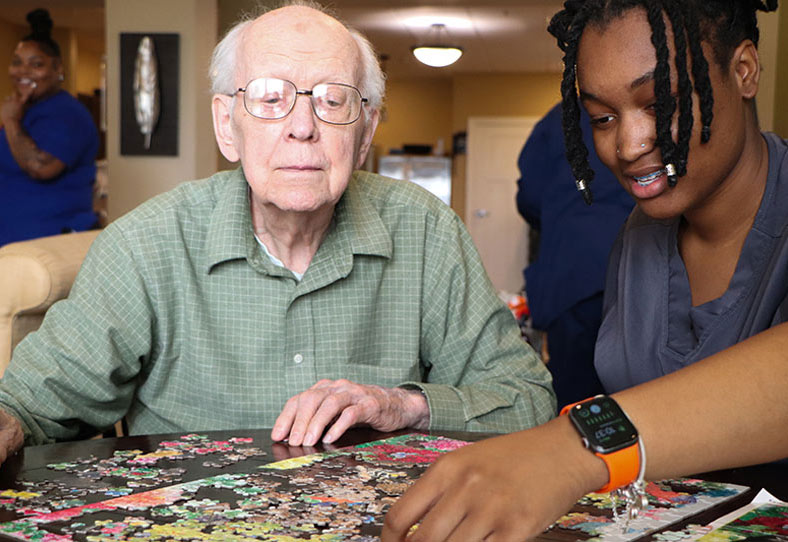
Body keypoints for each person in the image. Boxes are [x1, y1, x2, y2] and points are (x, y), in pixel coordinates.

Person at [0, 0, 556, 462]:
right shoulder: (144, 245)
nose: (301, 127)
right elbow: (29, 405)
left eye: (333, 100)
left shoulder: (427, 230)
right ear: (227, 125)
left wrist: (406, 406)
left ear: (365, 134)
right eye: (270, 98)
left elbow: (527, 399)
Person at [381, 1, 788, 540]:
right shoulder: (639, 238)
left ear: (744, 71)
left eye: (659, 102)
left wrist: (574, 447)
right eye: (603, 118)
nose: (629, 144)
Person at [516, 102, 632, 410]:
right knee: (638, 389)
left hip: (575, 273)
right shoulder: (645, 108)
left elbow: (529, 195)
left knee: (576, 400)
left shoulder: (557, 120)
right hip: (637, 266)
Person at [0, 9, 99, 246]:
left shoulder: (67, 112)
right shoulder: (26, 110)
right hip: (14, 244)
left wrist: (11, 121)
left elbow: (40, 166)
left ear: (58, 70)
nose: (23, 71)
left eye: (37, 64)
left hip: (46, 245)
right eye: (17, 63)